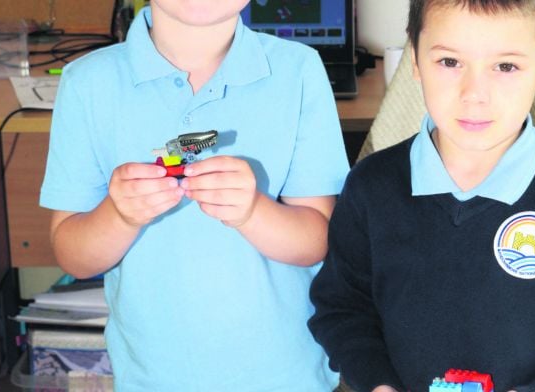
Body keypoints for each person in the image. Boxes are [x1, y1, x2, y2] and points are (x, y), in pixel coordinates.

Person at [307, 1, 535, 391]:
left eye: (505, 66)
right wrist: (377, 382)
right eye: (449, 62)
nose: (474, 94)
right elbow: (341, 309)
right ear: (414, 57)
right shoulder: (371, 186)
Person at [39, 1, 349, 391]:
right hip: (153, 377)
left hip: (285, 375)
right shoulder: (86, 83)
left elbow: (317, 240)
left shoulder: (299, 71)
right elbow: (73, 255)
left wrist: (253, 212)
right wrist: (119, 216)